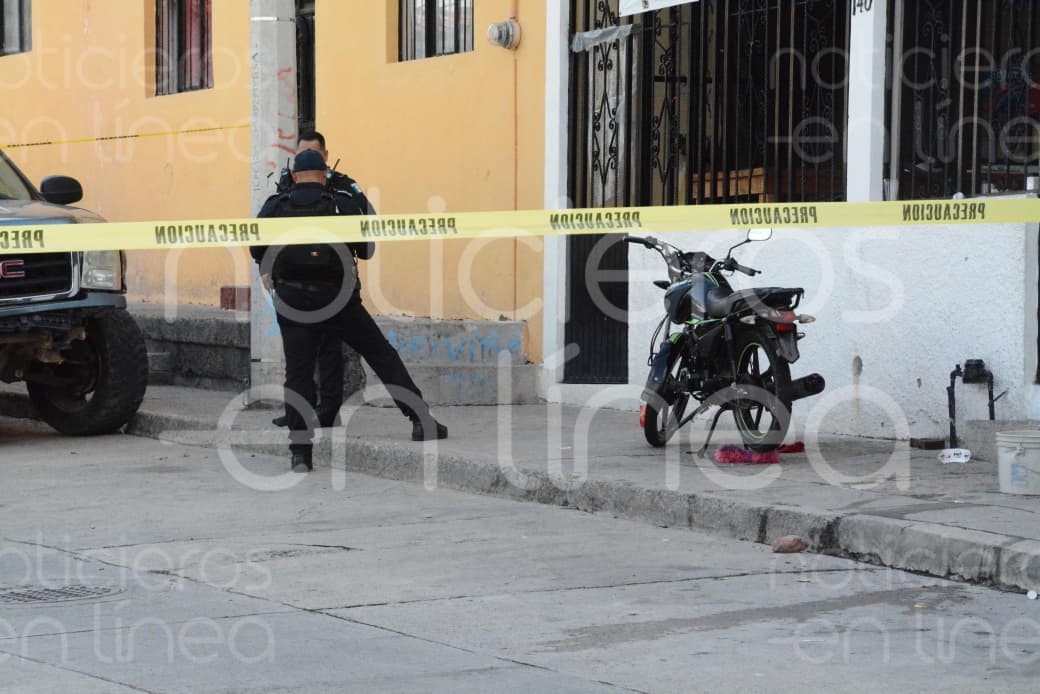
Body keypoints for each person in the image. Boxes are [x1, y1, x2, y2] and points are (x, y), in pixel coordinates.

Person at [252, 149, 448, 473]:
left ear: (295, 175)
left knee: (298, 374)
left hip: (293, 301)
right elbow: (366, 250)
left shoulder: (276, 205)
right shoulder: (341, 201)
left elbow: (257, 248)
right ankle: (420, 420)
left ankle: (300, 453)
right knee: (380, 353)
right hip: (338, 299)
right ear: (324, 172)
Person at [269, 131, 366, 429]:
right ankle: (298, 412)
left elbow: (366, 224)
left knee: (329, 351)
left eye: (312, 154)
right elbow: (265, 233)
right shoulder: (286, 184)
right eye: (301, 155)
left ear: (325, 156)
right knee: (299, 358)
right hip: (296, 286)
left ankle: (327, 411)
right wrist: (266, 269)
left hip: (334, 285)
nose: (306, 161)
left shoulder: (344, 186)